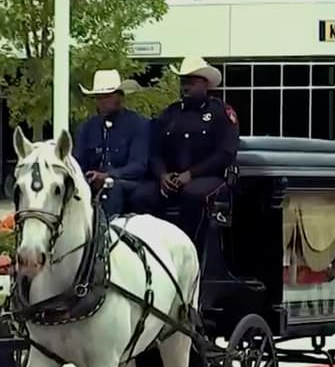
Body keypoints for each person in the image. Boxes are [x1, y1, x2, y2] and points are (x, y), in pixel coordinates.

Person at [147, 56, 240, 245]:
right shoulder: (170, 114)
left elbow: (226, 153)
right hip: (171, 178)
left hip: (207, 177)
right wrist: (162, 175)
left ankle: (190, 251)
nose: (185, 87)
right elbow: (154, 151)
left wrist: (191, 174)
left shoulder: (220, 112)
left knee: (192, 195)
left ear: (205, 85)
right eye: (183, 82)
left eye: (191, 82)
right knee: (142, 195)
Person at [73, 69, 157, 217]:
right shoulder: (87, 127)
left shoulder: (139, 124)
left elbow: (138, 166)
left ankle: (107, 233)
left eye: (106, 97)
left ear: (119, 97)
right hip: (92, 182)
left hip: (128, 183)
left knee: (112, 188)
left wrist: (108, 175)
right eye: (98, 98)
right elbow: (78, 161)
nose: (101, 102)